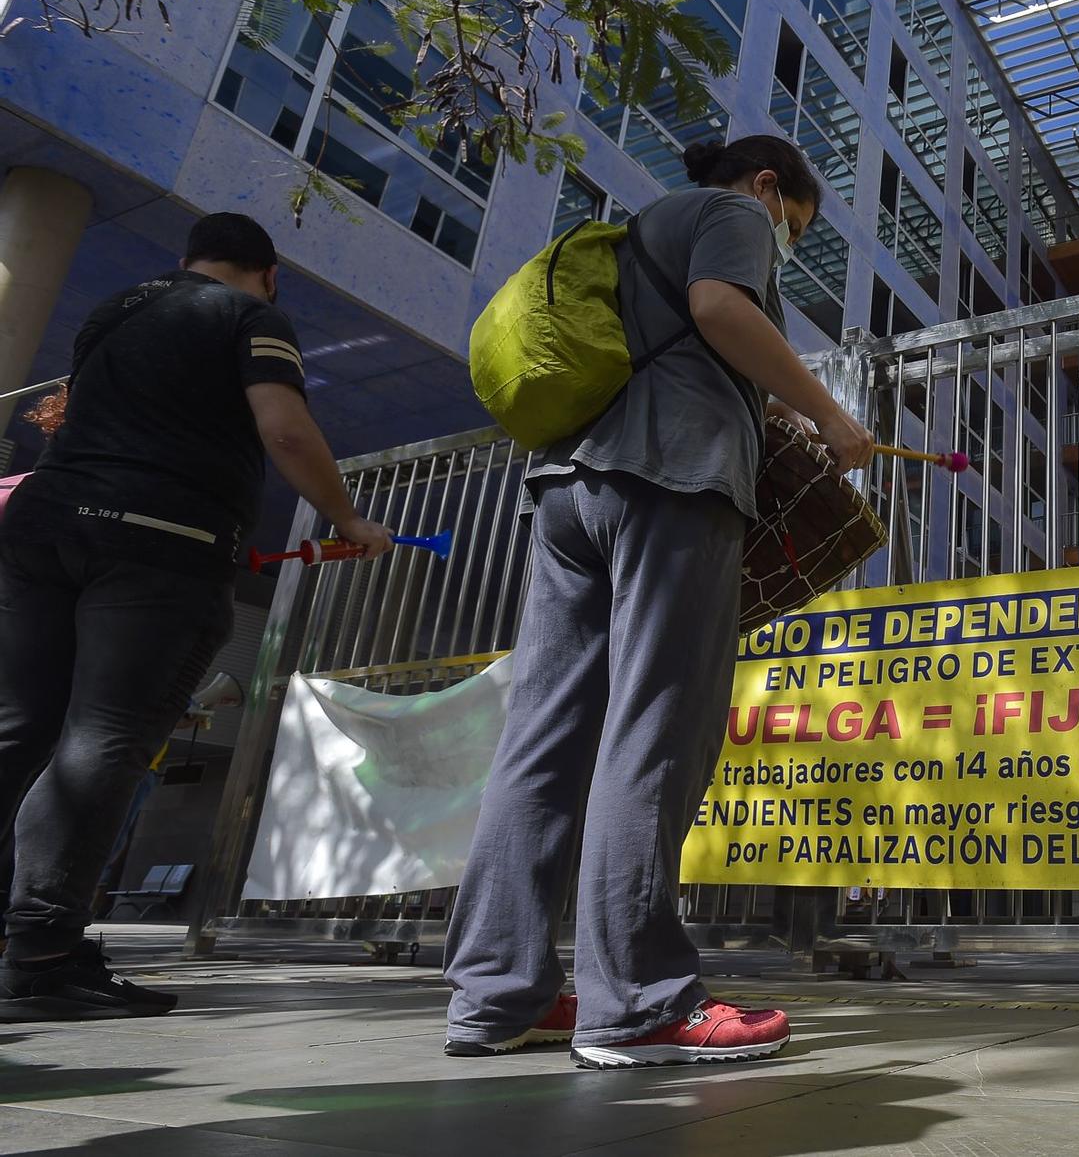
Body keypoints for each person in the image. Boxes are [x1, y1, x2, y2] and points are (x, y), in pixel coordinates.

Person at [444, 135, 873, 1069]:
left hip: (568, 492)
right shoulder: (731, 214)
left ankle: (495, 995)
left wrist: (772, 407)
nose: (785, 242)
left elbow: (687, 329)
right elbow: (721, 308)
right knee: (658, 729)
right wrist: (831, 413)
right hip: (672, 482)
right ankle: (636, 1002)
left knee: (542, 740)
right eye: (793, 226)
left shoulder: (644, 229)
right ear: (769, 186)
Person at [0, 212, 392, 1020]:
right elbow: (283, 427)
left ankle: (30, 943)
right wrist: (349, 520)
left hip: (43, 528)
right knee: (104, 739)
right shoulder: (249, 314)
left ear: (185, 261)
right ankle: (39, 957)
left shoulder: (117, 309)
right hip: (161, 540)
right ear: (268, 271)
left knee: (17, 728)